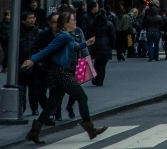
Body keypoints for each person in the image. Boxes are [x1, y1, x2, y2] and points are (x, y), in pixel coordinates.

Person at [22, 11, 107, 144]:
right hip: (61, 73)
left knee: (52, 105)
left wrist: (87, 43)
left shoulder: (68, 36)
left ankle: (34, 132)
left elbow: (76, 46)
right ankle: (91, 129)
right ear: (66, 23)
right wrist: (32, 60)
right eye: (73, 20)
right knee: (82, 97)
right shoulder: (63, 36)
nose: (75, 22)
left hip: (60, 72)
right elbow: (48, 49)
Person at [31, 13, 59, 124]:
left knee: (56, 93)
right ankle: (49, 111)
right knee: (39, 92)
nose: (56, 24)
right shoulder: (43, 35)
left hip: (57, 68)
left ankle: (53, 114)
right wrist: (37, 59)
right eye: (54, 22)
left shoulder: (64, 35)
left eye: (58, 22)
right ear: (50, 24)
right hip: (43, 69)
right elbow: (34, 48)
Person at [17, 11, 41, 115]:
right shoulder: (17, 32)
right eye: (30, 18)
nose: (32, 20)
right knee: (21, 88)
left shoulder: (38, 32)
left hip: (34, 65)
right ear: (23, 21)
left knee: (34, 89)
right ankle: (21, 107)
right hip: (21, 64)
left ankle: (34, 107)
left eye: (33, 18)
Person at [86, 11, 114, 86]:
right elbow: (112, 36)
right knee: (102, 65)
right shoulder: (109, 24)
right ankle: (100, 81)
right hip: (106, 44)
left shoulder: (92, 24)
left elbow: (89, 34)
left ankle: (95, 77)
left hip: (95, 44)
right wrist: (112, 45)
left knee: (96, 62)